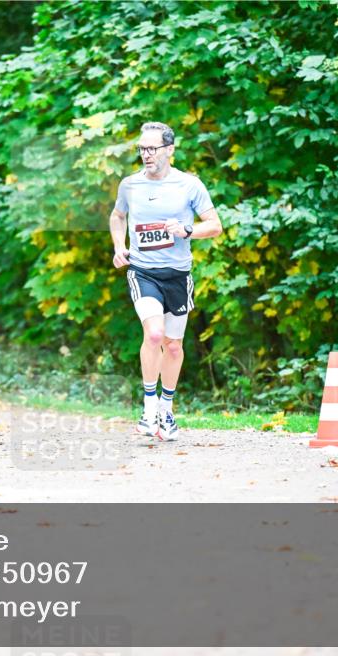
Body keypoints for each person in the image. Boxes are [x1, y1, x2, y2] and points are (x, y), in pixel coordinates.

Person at [109, 122, 223, 441]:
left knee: (173, 346)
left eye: (152, 148)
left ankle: (166, 409)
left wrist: (187, 230)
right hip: (143, 271)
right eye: (142, 149)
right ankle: (148, 408)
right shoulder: (130, 185)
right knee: (155, 333)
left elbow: (215, 225)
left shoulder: (190, 185)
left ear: (170, 150)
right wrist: (119, 246)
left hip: (178, 275)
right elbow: (117, 216)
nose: (146, 154)